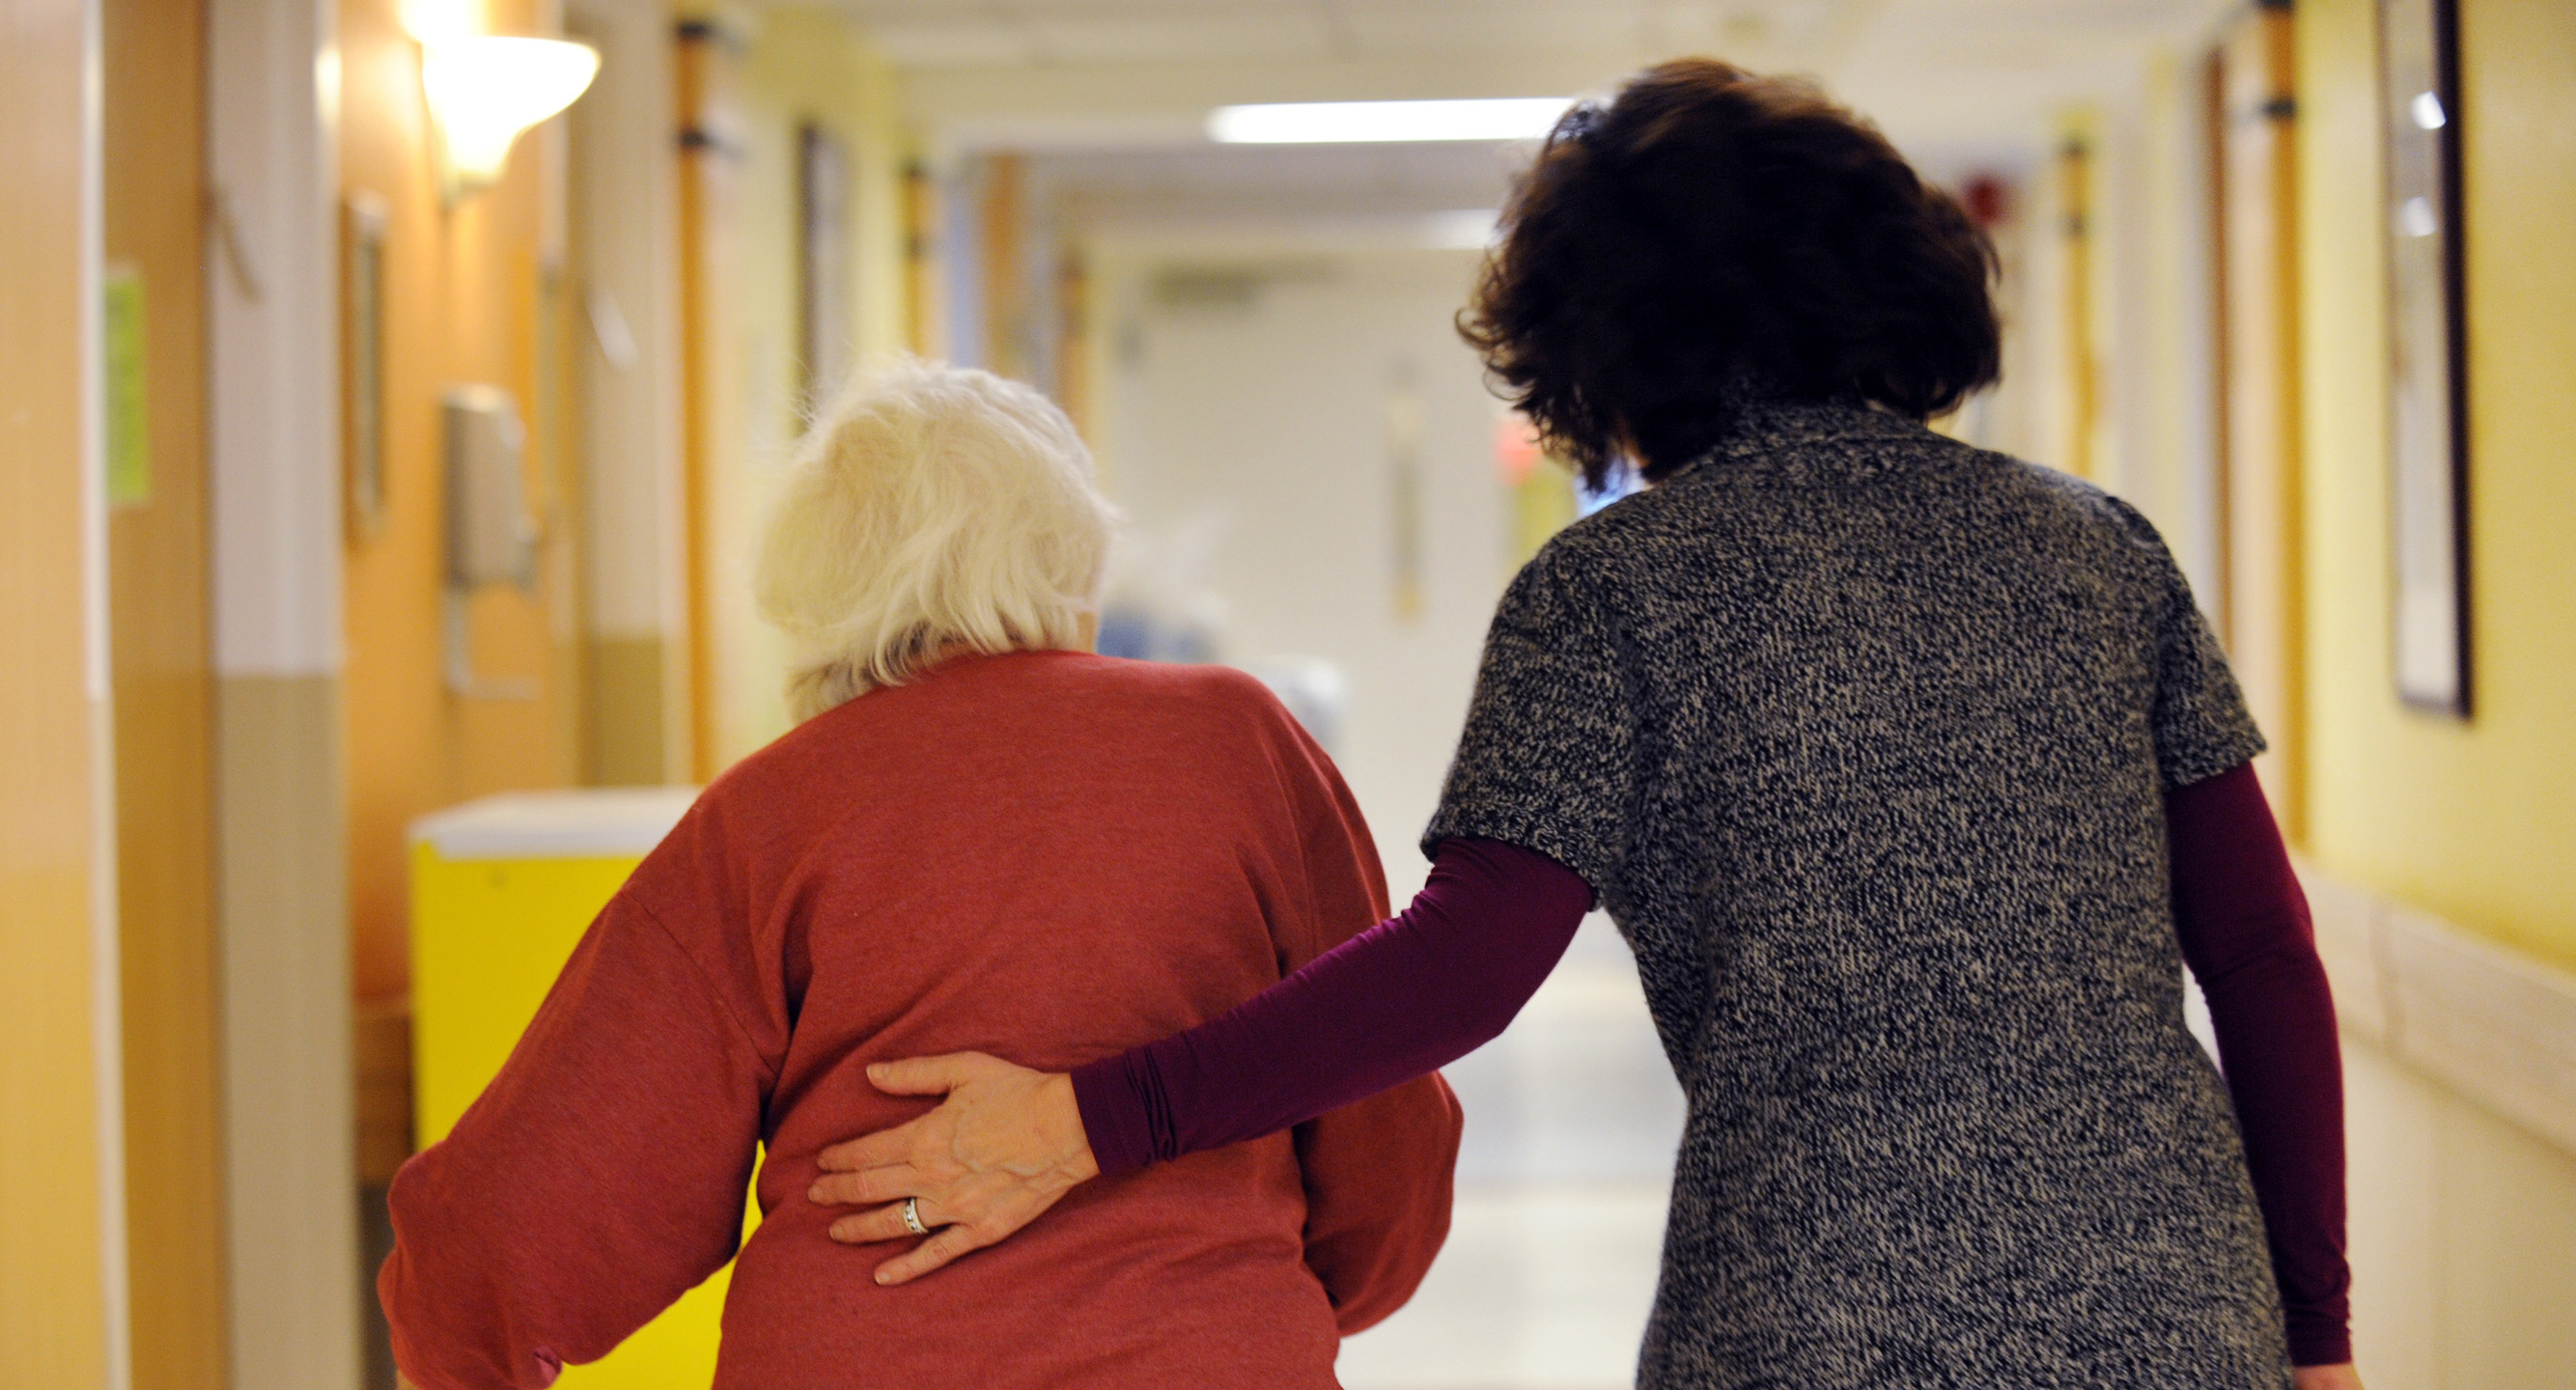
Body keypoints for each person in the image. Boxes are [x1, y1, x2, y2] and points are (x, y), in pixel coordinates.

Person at [804, 62, 2365, 1390]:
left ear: (1594, 339)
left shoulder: (1613, 592)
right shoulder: (2099, 547)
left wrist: (1097, 1116)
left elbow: (1465, 969)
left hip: (1802, 1308)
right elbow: (2260, 949)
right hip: (2172, 1289)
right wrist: (2319, 1328)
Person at [378, 362, 1462, 1389]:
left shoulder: (768, 817)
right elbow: (1384, 1125)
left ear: (819, 588)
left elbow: (510, 1236)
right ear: (1071, 558)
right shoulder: (1240, 749)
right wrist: (1256, 1301)